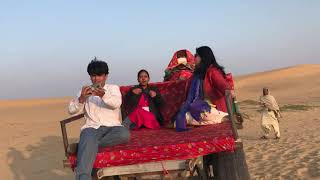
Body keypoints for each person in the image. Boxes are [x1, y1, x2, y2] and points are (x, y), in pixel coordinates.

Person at [68, 58, 130, 180]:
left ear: (106, 76)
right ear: (90, 77)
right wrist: (81, 99)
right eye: (93, 76)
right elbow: (71, 111)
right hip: (91, 128)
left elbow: (116, 103)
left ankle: (85, 145)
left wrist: (103, 95)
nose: (96, 79)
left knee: (125, 135)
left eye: (99, 75)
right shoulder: (84, 91)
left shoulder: (113, 88)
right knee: (88, 138)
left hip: (113, 127)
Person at [174, 46, 233, 131]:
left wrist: (228, 90)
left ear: (203, 57)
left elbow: (223, 85)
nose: (194, 58)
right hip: (198, 107)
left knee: (200, 114)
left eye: (196, 55)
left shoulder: (213, 71)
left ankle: (223, 117)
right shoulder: (197, 75)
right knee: (181, 118)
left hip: (212, 108)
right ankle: (223, 119)